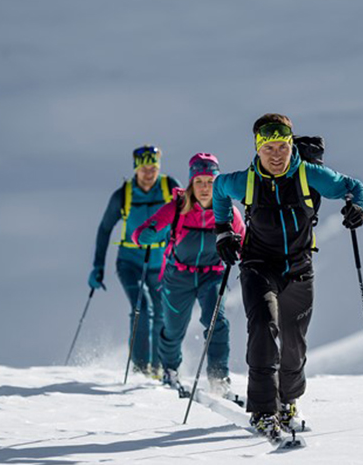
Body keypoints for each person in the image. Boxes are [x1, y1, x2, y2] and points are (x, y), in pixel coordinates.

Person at [212, 113, 363, 440]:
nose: (277, 155)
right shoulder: (245, 181)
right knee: (263, 327)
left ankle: (288, 401)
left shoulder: (310, 174)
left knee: (294, 341)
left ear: (290, 144)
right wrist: (223, 231)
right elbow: (219, 189)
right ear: (258, 148)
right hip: (257, 263)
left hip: (298, 266)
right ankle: (264, 411)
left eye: (282, 146)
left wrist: (358, 207)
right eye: (269, 148)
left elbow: (353, 187)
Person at [131, 153, 246, 395]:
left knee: (217, 321)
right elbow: (140, 233)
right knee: (173, 328)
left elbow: (246, 242)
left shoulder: (228, 211)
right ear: (191, 183)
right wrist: (145, 235)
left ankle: (219, 377)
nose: (205, 188)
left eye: (210, 182)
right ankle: (170, 369)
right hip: (178, 276)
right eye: (199, 182)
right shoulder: (177, 209)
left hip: (212, 275)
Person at [89, 145, 180, 377]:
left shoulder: (170, 188)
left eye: (153, 168)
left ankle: (158, 367)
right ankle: (141, 368)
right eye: (144, 169)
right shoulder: (123, 195)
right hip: (130, 263)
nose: (149, 173)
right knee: (142, 307)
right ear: (135, 169)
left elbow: (186, 215)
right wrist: (97, 266)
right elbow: (104, 229)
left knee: (161, 311)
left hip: (160, 264)